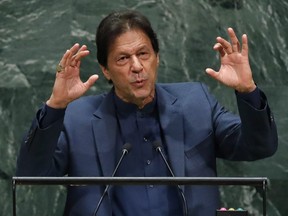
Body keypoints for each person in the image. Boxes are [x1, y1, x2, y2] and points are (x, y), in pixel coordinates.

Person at [16, 9, 278, 216]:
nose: (137, 66)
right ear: (105, 69)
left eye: (144, 53)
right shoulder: (78, 117)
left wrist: (247, 91)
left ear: (157, 57)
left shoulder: (196, 102)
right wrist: (55, 106)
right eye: (122, 59)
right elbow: (30, 176)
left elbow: (259, 146)